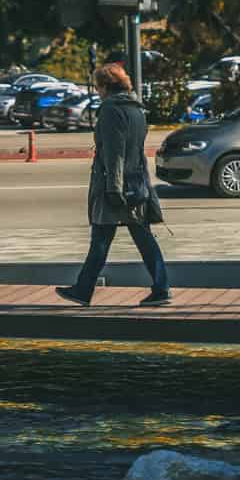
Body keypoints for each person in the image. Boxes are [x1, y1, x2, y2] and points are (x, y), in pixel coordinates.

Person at [57, 62, 171, 307]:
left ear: (106, 86)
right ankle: (160, 288)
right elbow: (138, 152)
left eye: (98, 86)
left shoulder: (111, 111)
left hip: (115, 185)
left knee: (100, 237)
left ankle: (83, 290)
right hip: (136, 183)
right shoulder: (136, 109)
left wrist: (113, 189)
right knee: (142, 238)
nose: (97, 91)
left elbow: (114, 153)